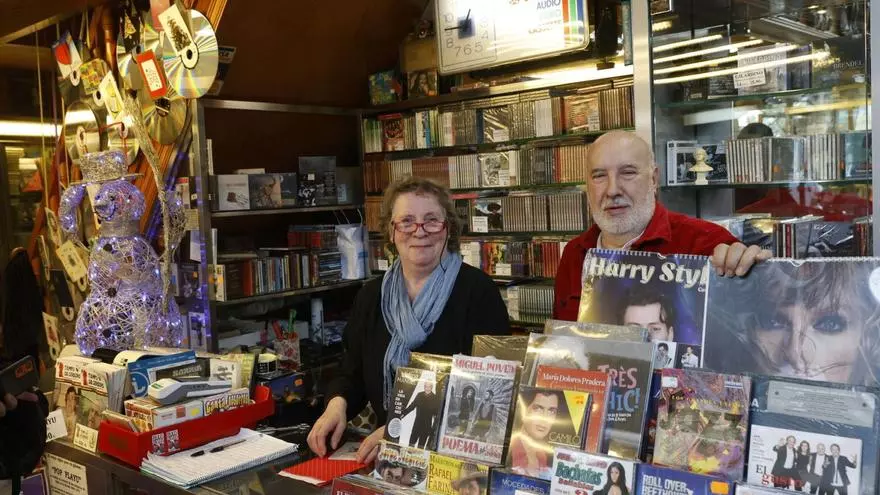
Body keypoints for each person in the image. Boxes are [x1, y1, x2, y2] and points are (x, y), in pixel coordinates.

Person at [307, 177, 510, 464]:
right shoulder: (371, 296)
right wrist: (336, 405)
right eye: (407, 221)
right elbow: (351, 371)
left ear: (447, 228)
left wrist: (402, 429)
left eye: (431, 221)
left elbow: (489, 390)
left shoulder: (478, 292)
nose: (419, 231)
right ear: (392, 231)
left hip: (454, 458)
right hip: (386, 456)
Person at [553, 131, 772, 321]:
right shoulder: (574, 253)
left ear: (654, 179)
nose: (612, 190)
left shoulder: (707, 244)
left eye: (628, 173)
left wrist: (753, 273)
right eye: (599, 176)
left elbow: (753, 328)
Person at [509, 389, 562, 478]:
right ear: (523, 411)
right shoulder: (510, 447)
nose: (545, 419)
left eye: (552, 411)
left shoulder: (542, 455)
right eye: (537, 409)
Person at [401, 378, 438, 448]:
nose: (427, 388)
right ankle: (409, 453)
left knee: (421, 446)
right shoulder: (419, 395)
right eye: (426, 386)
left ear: (432, 387)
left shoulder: (435, 398)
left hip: (427, 426)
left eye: (429, 387)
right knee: (411, 443)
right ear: (424, 386)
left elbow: (436, 413)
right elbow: (412, 406)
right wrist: (403, 414)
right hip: (417, 424)